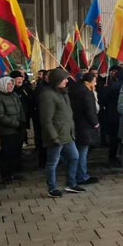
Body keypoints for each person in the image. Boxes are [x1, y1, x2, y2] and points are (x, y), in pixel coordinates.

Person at [39, 68, 82, 197]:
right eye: (64, 79)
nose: (66, 81)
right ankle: (52, 188)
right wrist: (53, 136)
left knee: (74, 157)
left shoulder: (63, 92)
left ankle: (71, 183)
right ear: (57, 80)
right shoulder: (48, 95)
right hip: (56, 135)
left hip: (67, 134)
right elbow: (46, 119)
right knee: (53, 162)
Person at [0, 76, 27, 185]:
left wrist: (22, 122)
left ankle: (13, 172)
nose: (11, 86)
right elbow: (0, 116)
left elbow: (20, 110)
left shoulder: (14, 95)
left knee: (15, 152)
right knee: (6, 153)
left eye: (12, 84)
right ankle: (5, 175)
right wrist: (16, 124)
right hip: (6, 131)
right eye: (8, 84)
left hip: (17, 129)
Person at [69, 73, 100, 186]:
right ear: (88, 82)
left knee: (78, 151)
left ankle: (78, 174)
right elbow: (89, 110)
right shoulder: (86, 93)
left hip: (76, 123)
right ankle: (82, 176)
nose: (95, 84)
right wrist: (95, 123)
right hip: (85, 126)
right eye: (94, 81)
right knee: (82, 152)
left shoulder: (74, 90)